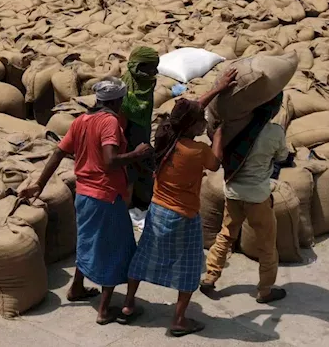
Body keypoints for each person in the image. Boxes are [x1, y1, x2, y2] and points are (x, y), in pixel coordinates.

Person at [19, 77, 153, 325]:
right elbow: (110, 160)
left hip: (84, 195)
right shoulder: (109, 122)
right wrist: (137, 154)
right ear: (115, 101)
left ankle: (77, 287)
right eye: (121, 100)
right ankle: (104, 310)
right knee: (116, 248)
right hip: (105, 196)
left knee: (88, 241)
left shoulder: (81, 121)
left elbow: (59, 151)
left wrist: (39, 183)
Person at [120, 69, 238, 337]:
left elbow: (188, 113)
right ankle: (179, 319)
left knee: (144, 256)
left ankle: (128, 304)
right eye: (201, 122)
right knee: (189, 266)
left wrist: (217, 89)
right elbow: (216, 162)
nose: (204, 122)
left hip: (158, 209)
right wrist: (217, 135)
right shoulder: (197, 151)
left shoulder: (165, 134)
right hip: (183, 215)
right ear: (194, 127)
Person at [201, 92, 289, 304]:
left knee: (225, 235)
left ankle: (210, 277)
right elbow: (282, 156)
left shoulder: (236, 127)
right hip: (258, 196)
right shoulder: (274, 132)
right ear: (274, 110)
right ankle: (265, 289)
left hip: (233, 191)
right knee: (267, 244)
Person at [121, 46, 160, 210]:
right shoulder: (125, 89)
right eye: (150, 67)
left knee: (145, 171)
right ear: (138, 66)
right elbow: (121, 119)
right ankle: (125, 211)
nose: (154, 71)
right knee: (128, 176)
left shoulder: (148, 83)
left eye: (155, 66)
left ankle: (142, 202)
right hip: (127, 138)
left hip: (143, 134)